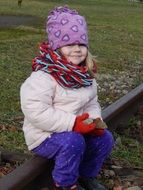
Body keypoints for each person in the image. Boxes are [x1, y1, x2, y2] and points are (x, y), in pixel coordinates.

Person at [20, 6, 114, 190]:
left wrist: (94, 121)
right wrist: (72, 124)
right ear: (57, 47)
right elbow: (35, 111)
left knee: (105, 139)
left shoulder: (85, 76)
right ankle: (65, 183)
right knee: (73, 141)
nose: (77, 50)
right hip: (44, 135)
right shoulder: (44, 77)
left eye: (81, 44)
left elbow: (92, 102)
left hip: (75, 130)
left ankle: (86, 176)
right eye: (69, 44)